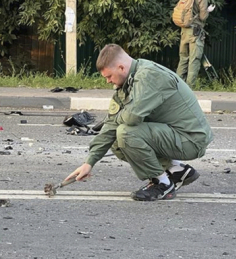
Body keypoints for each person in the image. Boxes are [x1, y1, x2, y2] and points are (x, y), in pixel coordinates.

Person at [66, 44, 213, 201]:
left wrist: (116, 119)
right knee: (115, 138)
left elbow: (131, 118)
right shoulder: (128, 81)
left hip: (191, 139)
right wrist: (89, 163)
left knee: (126, 132)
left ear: (121, 68)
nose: (108, 81)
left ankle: (162, 184)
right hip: (174, 134)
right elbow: (111, 124)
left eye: (109, 76)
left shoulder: (149, 76)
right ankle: (176, 169)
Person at [175, 0, 216, 88]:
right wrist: (208, 11)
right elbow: (203, 17)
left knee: (183, 58)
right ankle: (190, 87)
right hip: (195, 32)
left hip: (184, 30)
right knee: (194, 59)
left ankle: (178, 86)